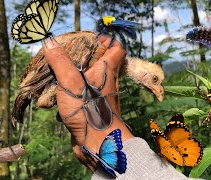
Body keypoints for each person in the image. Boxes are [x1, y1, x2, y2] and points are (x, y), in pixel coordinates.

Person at [43, 36, 195, 179]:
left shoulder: (110, 68)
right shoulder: (94, 48)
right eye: (154, 79)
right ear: (144, 71)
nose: (158, 88)